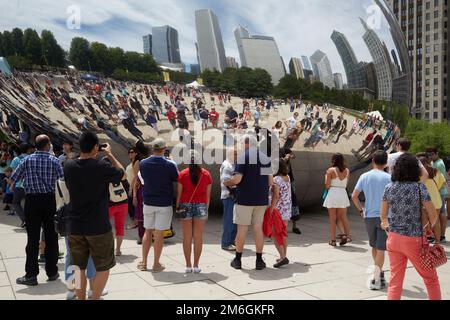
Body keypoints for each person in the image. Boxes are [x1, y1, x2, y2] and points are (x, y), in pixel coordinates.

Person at [64, 132, 124, 300]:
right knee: (104, 266)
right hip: (98, 226)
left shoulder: (68, 166)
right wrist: (110, 155)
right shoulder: (101, 167)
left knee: (77, 266)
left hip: (75, 225)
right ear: (96, 147)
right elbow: (122, 174)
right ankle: (95, 297)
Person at [381, 153, 441, 300]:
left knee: (395, 281)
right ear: (415, 169)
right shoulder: (420, 188)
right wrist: (427, 227)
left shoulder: (389, 187)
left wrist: (390, 227)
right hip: (414, 240)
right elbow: (434, 216)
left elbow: (383, 217)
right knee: (430, 279)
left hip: (394, 239)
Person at [10, 135, 64, 286]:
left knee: (32, 238)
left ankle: (31, 275)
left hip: (32, 201)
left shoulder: (26, 160)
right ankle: (52, 272)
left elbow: (14, 177)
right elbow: (62, 181)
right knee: (51, 236)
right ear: (47, 145)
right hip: (49, 201)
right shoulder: (54, 161)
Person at [227, 135, 273, 271]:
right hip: (261, 199)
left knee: (242, 229)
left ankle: (238, 260)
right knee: (257, 228)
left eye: (241, 143)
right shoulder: (265, 158)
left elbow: (237, 180)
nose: (240, 146)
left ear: (246, 144)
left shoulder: (243, 157)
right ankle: (259, 261)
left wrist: (227, 182)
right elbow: (270, 182)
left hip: (244, 199)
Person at [352, 151, 391, 290]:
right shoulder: (390, 178)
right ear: (386, 162)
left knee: (374, 246)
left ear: (373, 160)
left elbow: (354, 196)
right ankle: (377, 277)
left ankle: (378, 273)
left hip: (369, 216)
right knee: (381, 248)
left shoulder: (364, 176)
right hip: (385, 217)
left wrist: (361, 210)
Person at [138, 138, 178, 272]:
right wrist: (172, 161)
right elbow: (176, 178)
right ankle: (156, 264)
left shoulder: (143, 163)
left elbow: (143, 177)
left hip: (148, 201)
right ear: (164, 149)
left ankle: (144, 262)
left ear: (152, 148)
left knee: (147, 231)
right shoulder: (170, 164)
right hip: (164, 203)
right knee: (159, 233)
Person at [176, 152, 212, 274]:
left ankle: (187, 265)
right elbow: (208, 196)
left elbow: (179, 195)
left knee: (186, 236)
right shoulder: (206, 174)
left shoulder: (182, 174)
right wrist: (206, 210)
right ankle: (196, 265)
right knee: (198, 237)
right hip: (201, 205)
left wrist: (178, 209)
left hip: (185, 204)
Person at [323, 153, 351, 247]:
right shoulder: (347, 170)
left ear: (333, 160)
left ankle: (333, 240)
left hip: (333, 193)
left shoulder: (330, 170)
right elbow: (346, 184)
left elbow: (327, 185)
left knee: (332, 219)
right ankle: (344, 234)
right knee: (340, 217)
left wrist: (326, 177)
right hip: (343, 193)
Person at [268, 160, 292, 268]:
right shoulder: (287, 177)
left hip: (278, 210)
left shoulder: (276, 179)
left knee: (276, 235)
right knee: (282, 234)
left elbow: (276, 196)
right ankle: (283, 256)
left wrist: (271, 209)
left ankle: (282, 257)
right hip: (286, 209)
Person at [418, 154, 446, 244]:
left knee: (425, 222)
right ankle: (437, 242)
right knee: (435, 221)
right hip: (437, 199)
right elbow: (443, 182)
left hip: (426, 201)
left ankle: (427, 239)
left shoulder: (419, 173)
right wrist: (435, 188)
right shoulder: (436, 171)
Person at [426, 147, 449, 243]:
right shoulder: (436, 163)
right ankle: (440, 236)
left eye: (431, 154)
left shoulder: (438, 164)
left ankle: (440, 236)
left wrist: (435, 191)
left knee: (439, 215)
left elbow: (441, 179)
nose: (430, 156)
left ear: (436, 153)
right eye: (428, 154)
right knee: (440, 214)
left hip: (439, 192)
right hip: (440, 191)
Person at [10, 143, 35, 227]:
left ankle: (25, 220)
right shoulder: (32, 158)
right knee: (30, 204)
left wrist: (11, 185)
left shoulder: (16, 159)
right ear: (28, 150)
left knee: (16, 202)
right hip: (31, 185)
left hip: (19, 185)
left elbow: (14, 174)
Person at [220, 150, 238, 251]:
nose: (237, 156)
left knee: (234, 221)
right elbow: (226, 181)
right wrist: (238, 183)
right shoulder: (227, 165)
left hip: (233, 197)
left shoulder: (233, 164)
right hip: (229, 196)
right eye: (235, 154)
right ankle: (226, 243)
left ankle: (231, 241)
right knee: (229, 221)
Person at [125, 147, 137, 230]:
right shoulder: (132, 163)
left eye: (132, 152)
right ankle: (134, 222)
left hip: (132, 188)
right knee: (130, 206)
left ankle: (134, 223)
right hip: (128, 187)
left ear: (136, 153)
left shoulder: (136, 162)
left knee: (131, 207)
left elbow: (135, 177)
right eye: (129, 152)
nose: (130, 153)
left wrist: (131, 188)